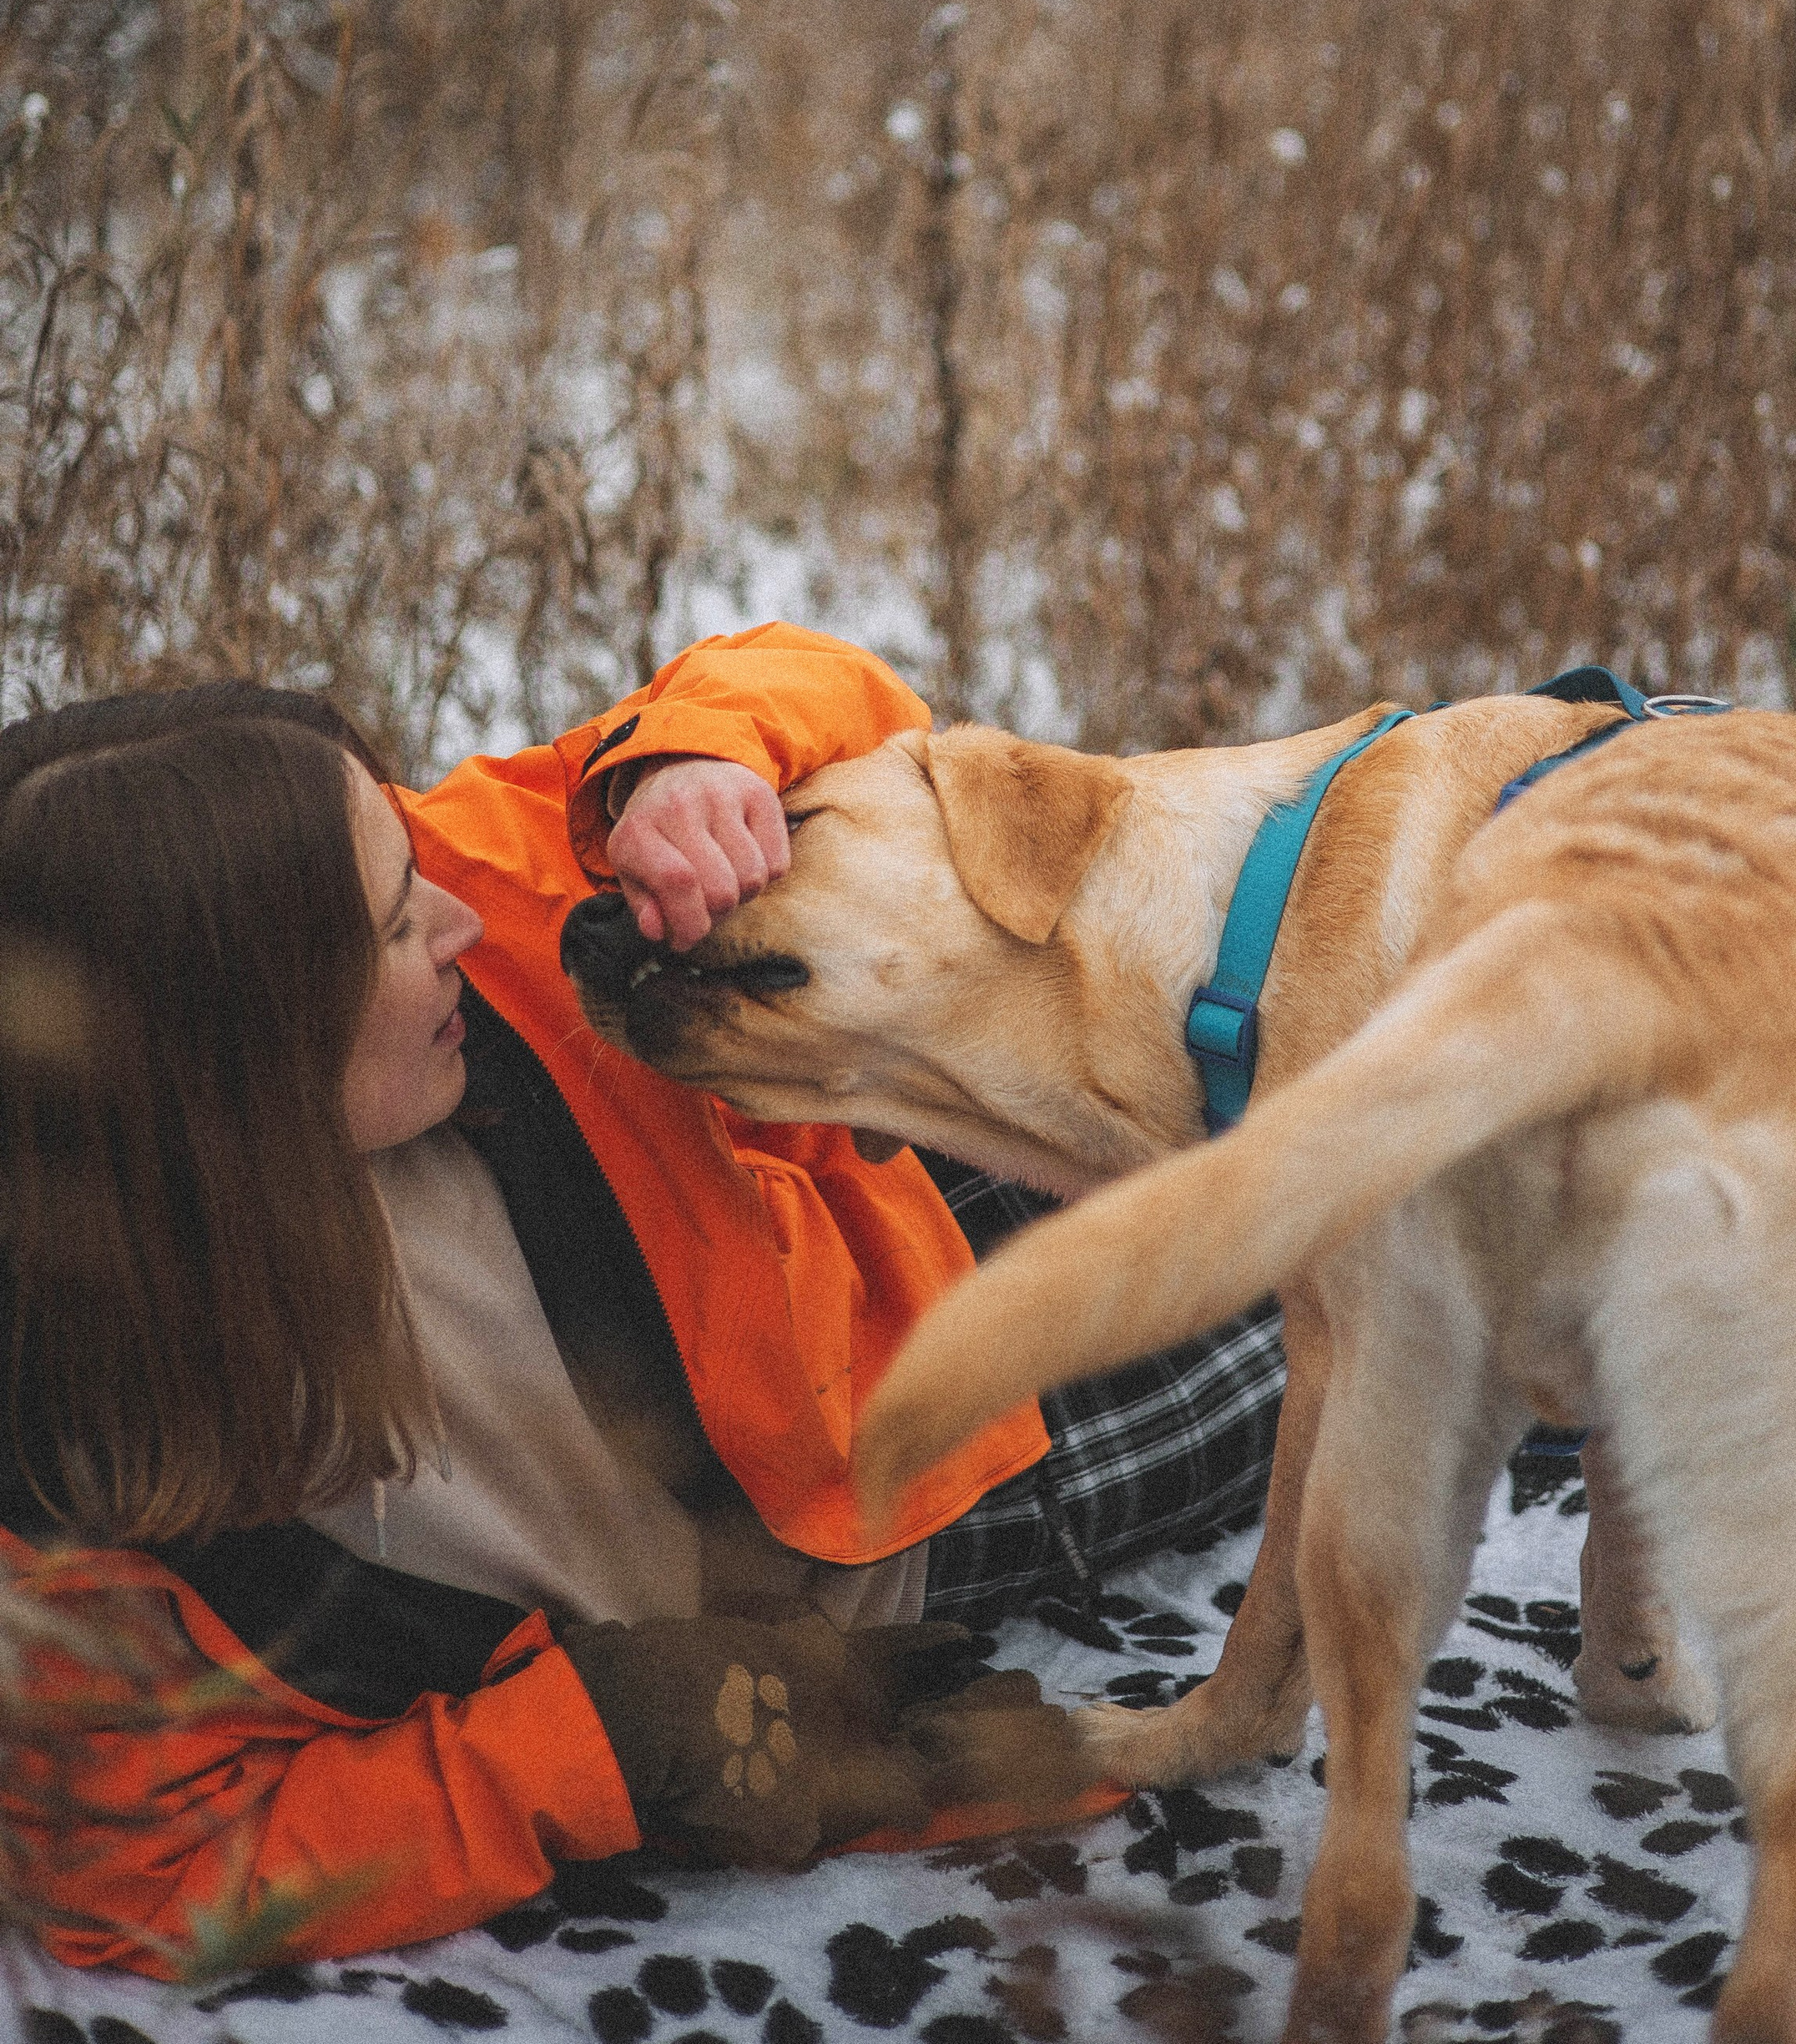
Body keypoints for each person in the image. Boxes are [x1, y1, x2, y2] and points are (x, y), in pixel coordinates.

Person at [0, 627, 1283, 1978]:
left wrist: (689, 767)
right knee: (1394, 1300)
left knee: (1396, 1004)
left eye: (409, 864)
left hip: (917, 1134)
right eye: (392, 924)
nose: (459, 920)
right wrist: (604, 1736)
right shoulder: (79, 1504)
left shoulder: (463, 882)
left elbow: (832, 692)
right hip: (968, 1485)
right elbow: (143, 1881)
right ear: (230, 1058)